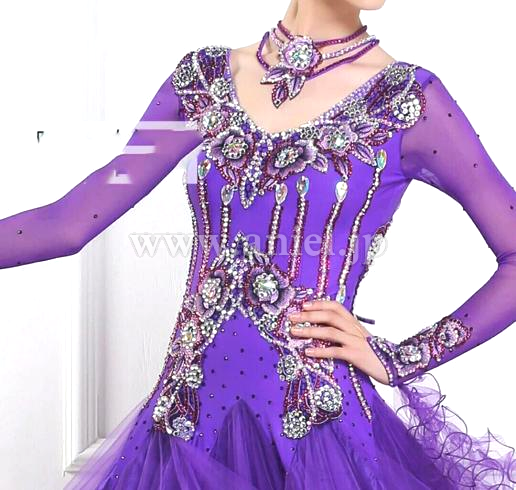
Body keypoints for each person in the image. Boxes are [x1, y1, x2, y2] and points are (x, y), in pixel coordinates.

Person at [2, 0, 515, 488]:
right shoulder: (203, 81)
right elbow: (69, 223)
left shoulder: (406, 102)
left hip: (318, 437)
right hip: (185, 430)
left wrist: (400, 358)